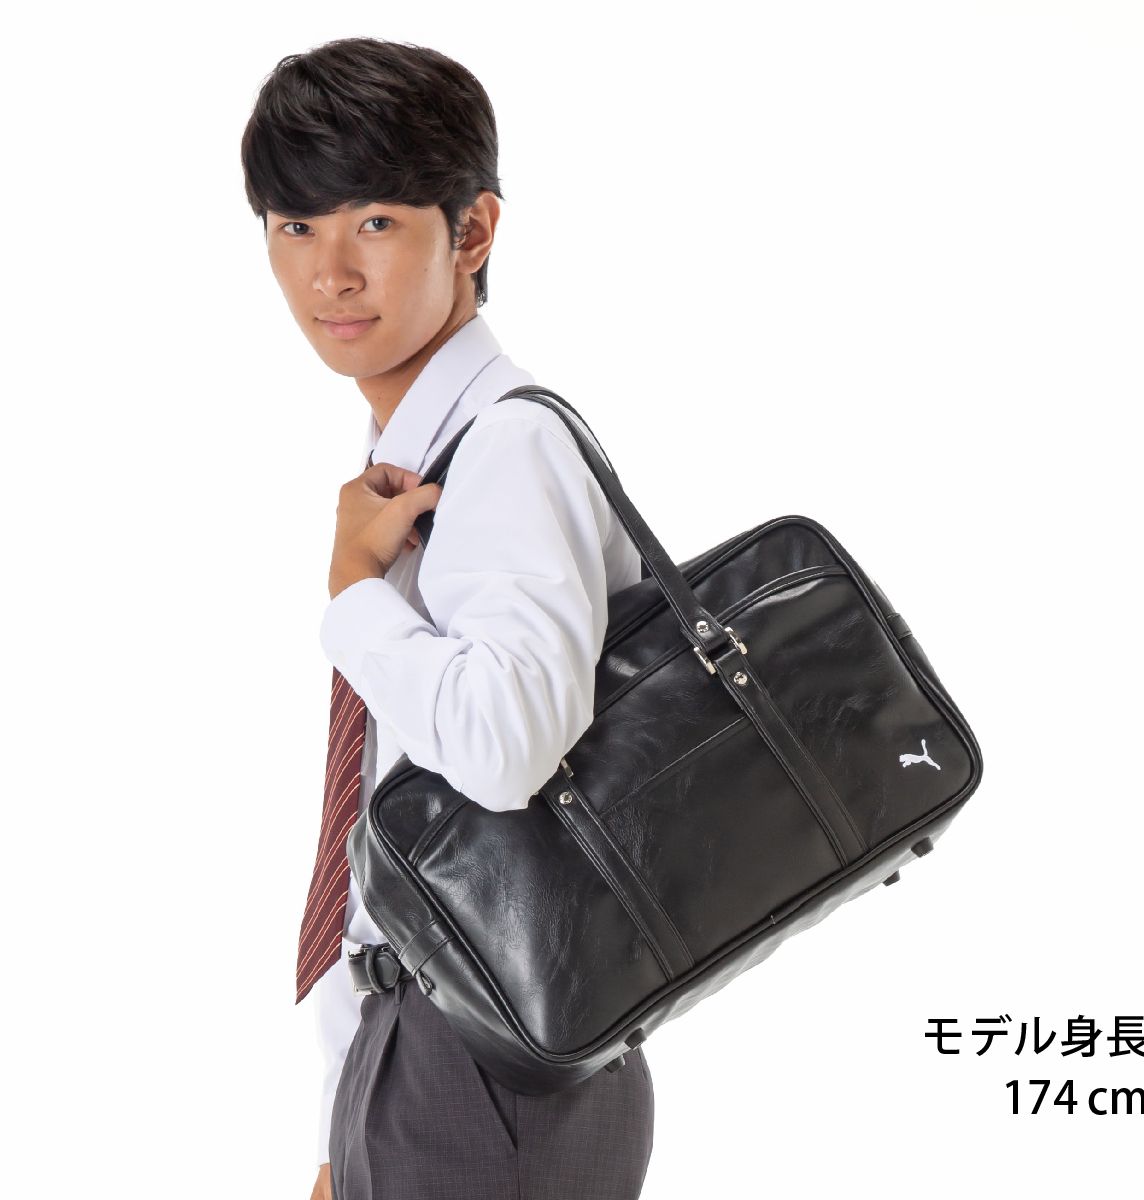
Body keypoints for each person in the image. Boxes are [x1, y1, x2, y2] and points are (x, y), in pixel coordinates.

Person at [240, 36, 656, 1200]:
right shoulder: (418, 456)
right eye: (295, 226)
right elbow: (397, 813)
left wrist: (353, 598)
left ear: (472, 232)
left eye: (374, 222)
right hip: (435, 1043)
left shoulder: (507, 446)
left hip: (486, 1061)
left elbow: (508, 748)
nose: (331, 273)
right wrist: (348, 1111)